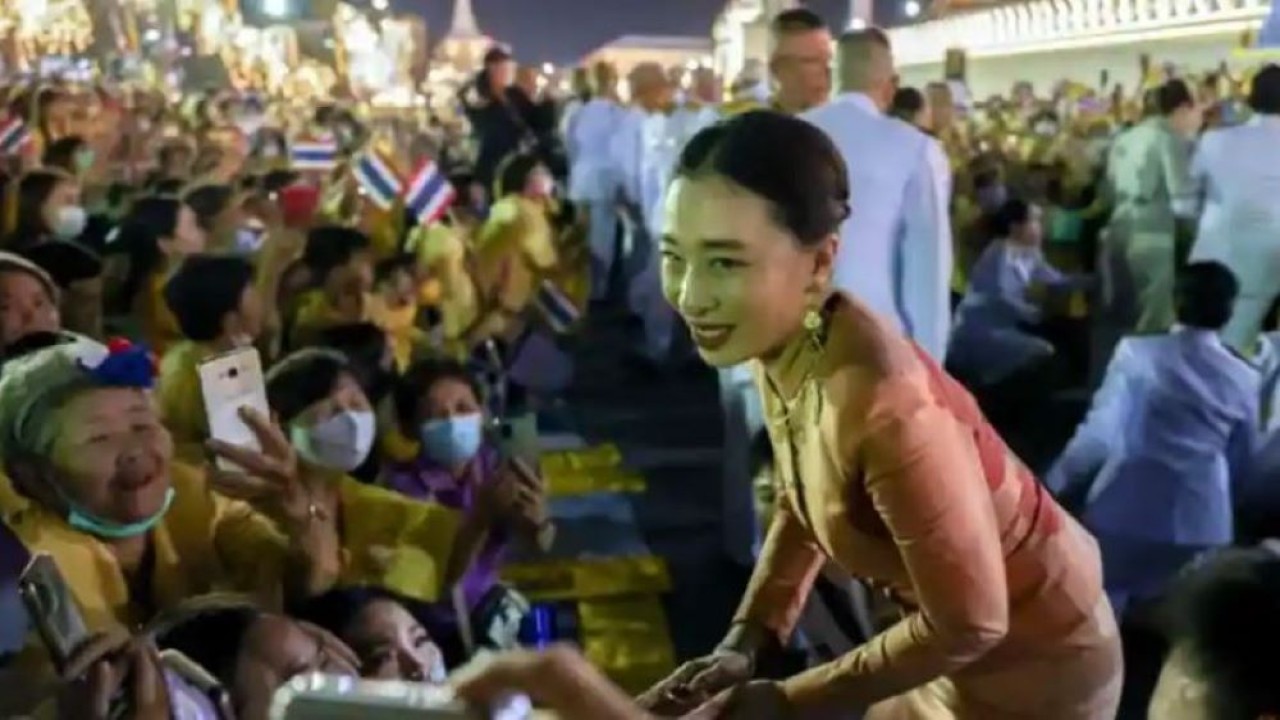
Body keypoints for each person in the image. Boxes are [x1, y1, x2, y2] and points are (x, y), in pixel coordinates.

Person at [643, 111, 1120, 718]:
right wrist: (752, 636)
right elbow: (804, 488)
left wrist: (784, 699)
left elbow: (972, 622)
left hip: (1036, 670)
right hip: (940, 649)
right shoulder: (792, 338)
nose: (690, 295)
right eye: (674, 257)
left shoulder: (885, 407)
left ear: (819, 265)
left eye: (725, 263)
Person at [1046, 261, 1258, 617]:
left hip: (1127, 508)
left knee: (1100, 607)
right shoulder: (1244, 376)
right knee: (1174, 619)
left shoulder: (1139, 354)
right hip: (1203, 521)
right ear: (1228, 311)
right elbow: (1242, 456)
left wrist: (1054, 483)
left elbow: (1099, 437)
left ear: (1176, 301)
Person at [802, 28, 953, 362]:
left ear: (831, 76)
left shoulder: (785, 137)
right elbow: (926, 273)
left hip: (793, 342)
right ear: (891, 84)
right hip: (875, 346)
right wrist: (930, 366)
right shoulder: (915, 149)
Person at [1187, 64, 1280, 354]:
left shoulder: (1214, 139)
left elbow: (1187, 203)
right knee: (1236, 349)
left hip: (1211, 257)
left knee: (1198, 346)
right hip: (1265, 261)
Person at [948, 198, 1089, 388]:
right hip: (982, 331)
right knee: (1041, 353)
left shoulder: (1030, 254)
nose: (1040, 227)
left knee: (1071, 331)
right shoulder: (997, 254)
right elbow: (999, 298)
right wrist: (1033, 313)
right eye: (1034, 221)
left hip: (1008, 324)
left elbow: (1058, 280)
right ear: (1015, 227)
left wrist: (1094, 280)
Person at [1100, 78, 1200, 344]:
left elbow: (1109, 185)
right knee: (1153, 320)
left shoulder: (1125, 138)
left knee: (1123, 314)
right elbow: (1182, 196)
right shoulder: (1168, 139)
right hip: (1152, 235)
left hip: (1118, 230)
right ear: (1181, 109)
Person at [767, 9, 834, 115]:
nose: (828, 71)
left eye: (830, 59)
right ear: (777, 68)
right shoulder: (752, 128)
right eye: (812, 61)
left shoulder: (848, 125)